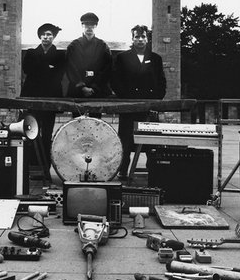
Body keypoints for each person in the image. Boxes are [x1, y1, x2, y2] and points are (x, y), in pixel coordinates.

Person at [111, 25, 166, 180]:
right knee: (126, 141)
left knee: (151, 142)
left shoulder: (156, 59)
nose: (140, 40)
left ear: (147, 39)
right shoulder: (122, 58)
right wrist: (125, 98)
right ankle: (123, 171)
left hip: (149, 107)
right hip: (128, 107)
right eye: (137, 37)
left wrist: (156, 102)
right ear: (132, 38)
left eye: (143, 37)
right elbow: (115, 81)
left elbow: (161, 82)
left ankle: (153, 169)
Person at [20, 23, 65, 174]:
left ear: (53, 37)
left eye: (49, 35)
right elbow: (27, 69)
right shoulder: (31, 53)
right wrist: (48, 68)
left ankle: (45, 166)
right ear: (40, 36)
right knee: (32, 132)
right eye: (44, 34)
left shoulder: (59, 55)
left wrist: (40, 68)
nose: (46, 37)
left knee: (47, 133)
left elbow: (59, 74)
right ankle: (31, 166)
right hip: (32, 98)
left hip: (50, 99)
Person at [66, 12, 113, 118]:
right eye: (86, 25)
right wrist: (81, 86)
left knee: (96, 123)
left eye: (92, 25)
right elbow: (71, 68)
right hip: (78, 92)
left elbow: (107, 69)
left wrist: (94, 87)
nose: (89, 28)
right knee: (78, 122)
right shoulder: (73, 46)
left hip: (96, 92)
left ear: (96, 26)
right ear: (82, 26)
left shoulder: (103, 46)